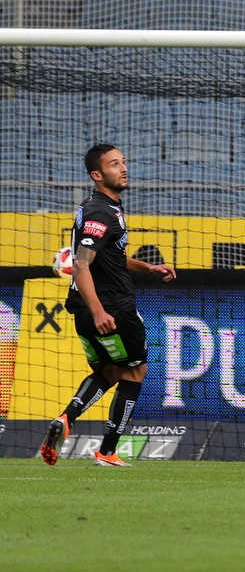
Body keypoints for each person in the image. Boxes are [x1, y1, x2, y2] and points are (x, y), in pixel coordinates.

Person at [40, 144, 177, 467]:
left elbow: (110, 256)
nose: (123, 168)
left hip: (84, 312)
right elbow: (82, 264)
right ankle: (107, 451)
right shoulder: (101, 212)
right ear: (97, 175)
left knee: (108, 371)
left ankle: (67, 418)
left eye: (123, 162)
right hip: (112, 310)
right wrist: (101, 310)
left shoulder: (99, 207)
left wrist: (149, 268)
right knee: (135, 371)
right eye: (115, 164)